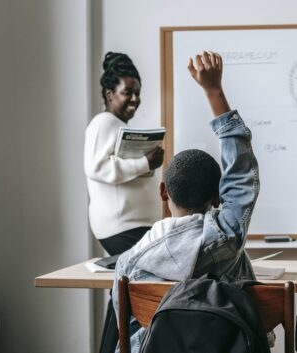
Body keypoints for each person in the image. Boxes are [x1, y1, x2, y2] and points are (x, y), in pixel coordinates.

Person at [112, 50, 260, 353]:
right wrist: (214, 90)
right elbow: (241, 175)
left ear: (164, 192)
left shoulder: (128, 264)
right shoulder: (225, 238)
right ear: (217, 197)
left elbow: (126, 335)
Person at [84, 52, 164, 353]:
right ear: (109, 94)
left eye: (137, 93)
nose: (135, 99)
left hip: (134, 225)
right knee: (130, 291)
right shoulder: (103, 122)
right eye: (127, 92)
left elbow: (127, 173)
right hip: (121, 226)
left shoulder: (116, 126)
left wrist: (150, 163)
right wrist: (145, 162)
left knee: (125, 291)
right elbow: (98, 168)